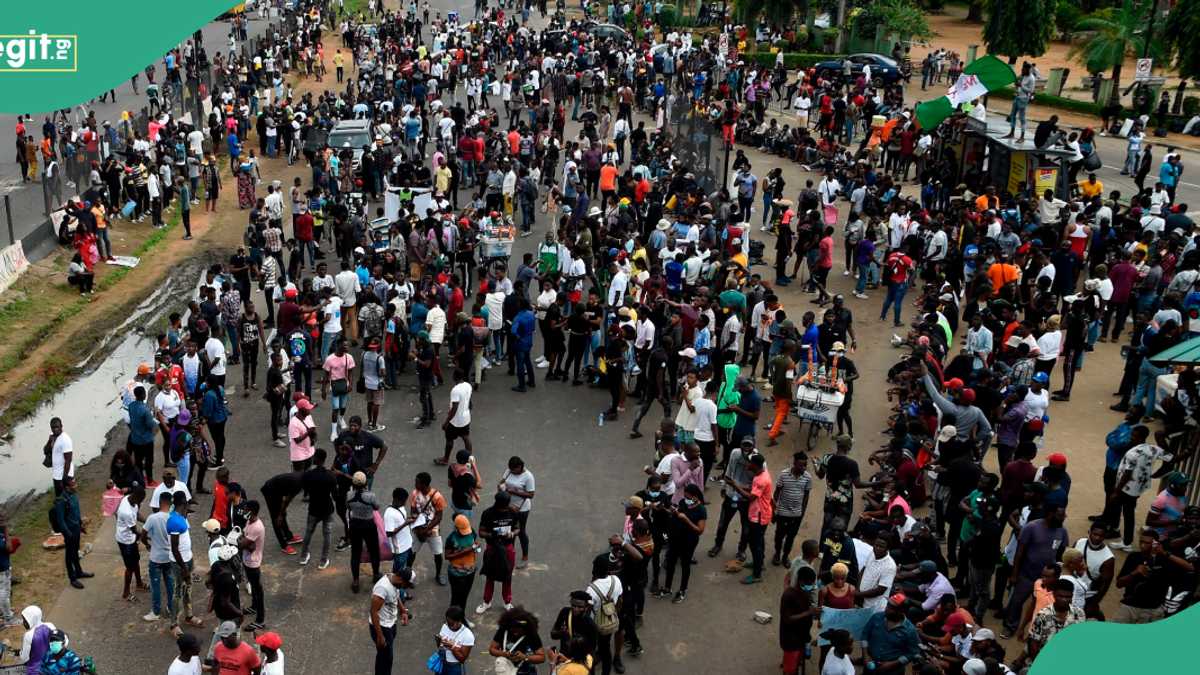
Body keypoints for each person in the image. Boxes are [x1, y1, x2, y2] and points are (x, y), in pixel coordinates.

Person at [659, 483, 707, 603]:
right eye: (685, 497)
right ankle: (667, 588)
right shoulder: (682, 502)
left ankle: (682, 590)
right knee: (671, 563)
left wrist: (686, 519)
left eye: (688, 497)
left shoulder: (701, 510)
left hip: (689, 541)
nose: (686, 499)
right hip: (675, 538)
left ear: (695, 497)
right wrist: (668, 510)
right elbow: (676, 515)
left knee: (685, 565)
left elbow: (699, 530)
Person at [477, 491, 519, 614]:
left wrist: (512, 533)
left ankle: (507, 602)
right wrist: (492, 534)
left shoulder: (513, 512)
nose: (503, 509)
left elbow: (517, 528)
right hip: (492, 548)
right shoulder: (488, 513)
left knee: (507, 575)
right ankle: (486, 602)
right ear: (497, 503)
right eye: (502, 507)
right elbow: (481, 532)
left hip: (508, 548)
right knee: (490, 575)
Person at [861, 593, 922, 674]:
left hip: (892, 671)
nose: (887, 609)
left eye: (891, 608)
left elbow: (913, 652)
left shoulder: (910, 630)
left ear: (902, 611)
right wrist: (865, 656)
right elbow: (864, 635)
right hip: (870, 666)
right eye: (888, 605)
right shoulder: (876, 617)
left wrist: (892, 664)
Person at [370, 568, 414, 675]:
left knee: (386, 657)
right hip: (382, 627)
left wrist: (403, 610)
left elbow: (396, 596)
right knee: (385, 659)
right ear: (401, 580)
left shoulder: (394, 580)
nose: (405, 588)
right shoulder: (382, 588)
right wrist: (380, 636)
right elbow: (373, 611)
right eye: (406, 585)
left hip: (390, 624)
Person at [347, 471, 382, 593]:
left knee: (355, 553)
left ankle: (356, 581)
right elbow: (377, 507)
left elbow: (349, 507)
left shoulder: (349, 495)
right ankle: (376, 574)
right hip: (368, 525)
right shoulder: (370, 496)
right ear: (365, 483)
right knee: (374, 550)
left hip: (355, 525)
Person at [51, 477, 89, 589]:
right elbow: (61, 520)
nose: (76, 486)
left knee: (75, 551)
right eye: (73, 484)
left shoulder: (74, 495)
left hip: (76, 528)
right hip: (70, 531)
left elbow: (76, 512)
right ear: (67, 487)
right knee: (69, 554)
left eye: (75, 483)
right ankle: (72, 578)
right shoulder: (61, 501)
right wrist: (68, 533)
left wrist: (81, 525)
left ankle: (79, 572)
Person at [500, 456, 536, 569]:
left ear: (519, 467)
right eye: (510, 469)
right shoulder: (509, 471)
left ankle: (525, 558)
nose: (511, 471)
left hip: (521, 509)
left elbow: (531, 494)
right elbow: (502, 481)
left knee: (520, 531)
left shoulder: (528, 477)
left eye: (513, 470)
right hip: (509, 507)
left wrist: (514, 491)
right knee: (509, 530)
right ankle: (510, 553)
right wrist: (501, 487)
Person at [488, 605, 546, 675]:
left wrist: (524, 657)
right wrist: (505, 654)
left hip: (526, 671)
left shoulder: (531, 634)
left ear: (525, 628)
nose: (515, 633)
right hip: (506, 669)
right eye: (512, 630)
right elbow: (492, 649)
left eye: (519, 630)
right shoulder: (504, 630)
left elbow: (542, 657)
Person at [240, 500, 267, 631]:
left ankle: (260, 620)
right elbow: (244, 539)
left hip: (253, 563)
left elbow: (241, 543)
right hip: (247, 559)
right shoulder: (249, 521)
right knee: (254, 587)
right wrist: (245, 542)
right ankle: (254, 607)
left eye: (245, 509)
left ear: (251, 511)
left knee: (258, 590)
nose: (244, 511)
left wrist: (243, 542)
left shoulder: (257, 527)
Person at [438, 368, 474, 465]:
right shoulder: (468, 385)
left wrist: (446, 422)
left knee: (449, 440)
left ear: (454, 376)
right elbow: (469, 400)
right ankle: (470, 459)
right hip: (466, 418)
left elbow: (454, 408)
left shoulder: (455, 390)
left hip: (455, 421)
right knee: (466, 437)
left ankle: (445, 459)